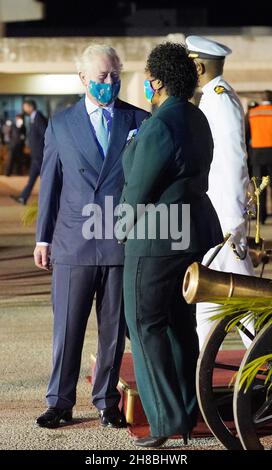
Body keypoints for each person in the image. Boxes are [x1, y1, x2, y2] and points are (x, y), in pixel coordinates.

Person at [34, 44, 149, 429]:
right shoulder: (61, 124)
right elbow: (50, 185)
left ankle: (106, 402)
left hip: (120, 242)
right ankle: (60, 401)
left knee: (114, 330)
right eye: (101, 77)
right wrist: (43, 239)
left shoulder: (139, 121)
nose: (109, 82)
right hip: (73, 242)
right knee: (67, 328)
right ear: (82, 78)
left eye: (114, 75)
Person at [115, 42, 223, 447]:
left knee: (144, 325)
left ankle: (163, 421)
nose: (146, 82)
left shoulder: (161, 123)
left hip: (156, 238)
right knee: (180, 325)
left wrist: (120, 229)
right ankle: (186, 414)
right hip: (192, 234)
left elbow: (139, 186)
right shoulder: (195, 117)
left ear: (157, 80)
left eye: (148, 76)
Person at [185, 35, 255, 348]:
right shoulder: (211, 97)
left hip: (224, 219)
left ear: (198, 66)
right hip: (215, 216)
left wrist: (232, 220)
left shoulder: (220, 97)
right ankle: (201, 367)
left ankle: (262, 355)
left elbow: (233, 160)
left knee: (245, 298)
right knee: (211, 296)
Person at [11, 99, 47, 204]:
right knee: (32, 179)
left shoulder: (38, 117)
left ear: (31, 107)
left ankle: (51, 199)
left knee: (46, 179)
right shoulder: (34, 117)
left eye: (25, 107)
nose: (24, 109)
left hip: (39, 154)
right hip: (36, 154)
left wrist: (41, 150)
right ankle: (23, 198)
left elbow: (45, 133)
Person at [247, 90, 272, 224]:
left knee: (259, 188)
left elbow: (246, 135)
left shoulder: (252, 113)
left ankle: (261, 218)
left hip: (257, 155)